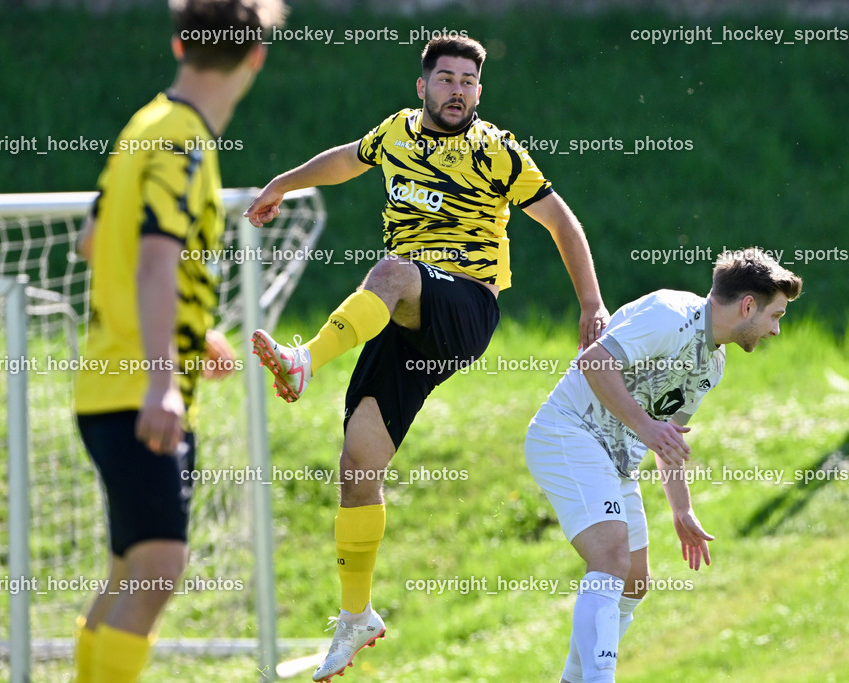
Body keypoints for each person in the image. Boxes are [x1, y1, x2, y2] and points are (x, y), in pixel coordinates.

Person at [244, 35, 610, 682]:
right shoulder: (396, 134)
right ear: (423, 87)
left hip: (465, 305)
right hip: (404, 314)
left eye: (468, 81)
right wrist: (282, 182)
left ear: (480, 91)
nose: (457, 91)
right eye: (446, 79)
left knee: (391, 272)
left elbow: (562, 222)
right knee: (358, 464)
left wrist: (591, 304)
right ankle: (355, 614)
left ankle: (304, 360)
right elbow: (346, 160)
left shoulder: (497, 151)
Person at [71, 1, 286, 680]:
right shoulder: (183, 141)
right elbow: (156, 260)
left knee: (130, 570)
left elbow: (93, 239)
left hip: (109, 383)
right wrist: (164, 378)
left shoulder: (146, 124)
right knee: (159, 567)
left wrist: (193, 332)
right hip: (139, 390)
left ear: (179, 44)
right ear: (256, 57)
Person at [524, 248, 802, 683]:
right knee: (611, 557)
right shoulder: (670, 315)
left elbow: (668, 437)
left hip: (614, 462)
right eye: (776, 316)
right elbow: (594, 362)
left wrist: (681, 508)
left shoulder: (713, 362)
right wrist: (645, 427)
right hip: (568, 433)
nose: (776, 330)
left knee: (634, 583)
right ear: (748, 306)